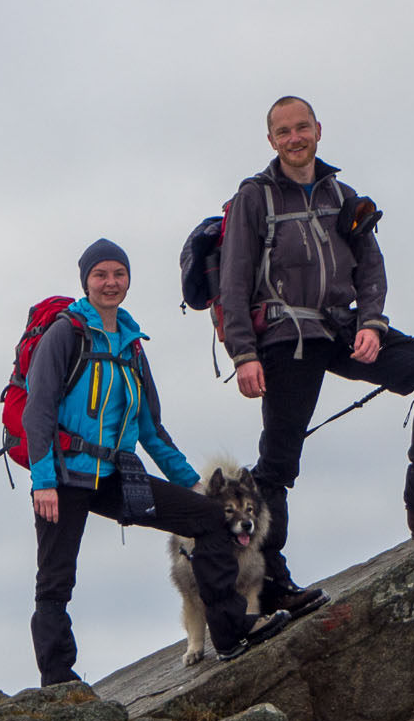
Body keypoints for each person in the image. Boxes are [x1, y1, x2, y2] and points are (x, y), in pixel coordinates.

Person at [219, 96, 414, 615]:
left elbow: (371, 267)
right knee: (278, 462)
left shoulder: (343, 195)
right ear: (271, 140)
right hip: (284, 334)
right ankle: (271, 582)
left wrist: (371, 321)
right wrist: (243, 353)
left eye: (303, 128)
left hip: (341, 326)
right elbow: (233, 282)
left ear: (319, 129)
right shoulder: (256, 197)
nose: (295, 138)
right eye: (283, 132)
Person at [24, 239, 289, 685]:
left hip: (113, 476)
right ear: (85, 281)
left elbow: (151, 430)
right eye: (100, 275)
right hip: (65, 476)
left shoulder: (132, 345)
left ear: (128, 280)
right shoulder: (65, 334)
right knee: (55, 579)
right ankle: (58, 680)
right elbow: (38, 412)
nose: (110, 283)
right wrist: (43, 480)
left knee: (208, 517)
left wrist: (193, 486)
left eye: (118, 274)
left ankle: (230, 631)